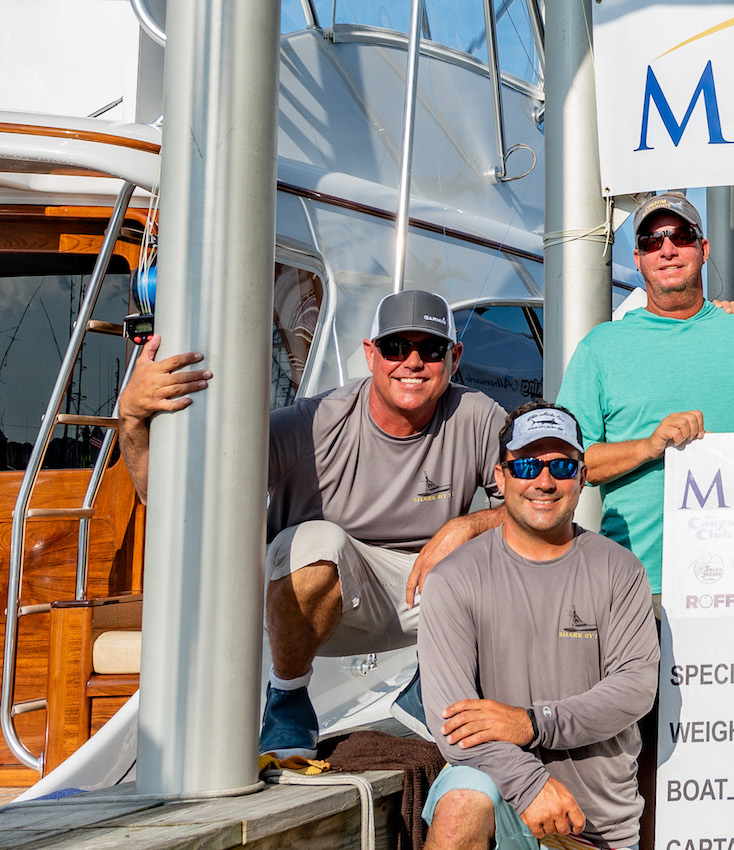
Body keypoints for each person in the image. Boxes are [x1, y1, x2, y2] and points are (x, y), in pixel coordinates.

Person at [116, 287, 510, 759]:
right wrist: (133, 419)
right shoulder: (313, 421)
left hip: (427, 596)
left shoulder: (479, 415)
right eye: (394, 348)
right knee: (316, 541)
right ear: (370, 354)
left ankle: (434, 693)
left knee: (516, 543)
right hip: (316, 602)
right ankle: (286, 701)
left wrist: (468, 524)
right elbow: (162, 497)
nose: (413, 362)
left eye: (430, 349)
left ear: (454, 356)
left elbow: (544, 502)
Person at [407, 401, 658, 850]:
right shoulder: (456, 579)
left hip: (591, 811)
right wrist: (526, 779)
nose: (542, 480)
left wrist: (531, 721)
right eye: (526, 464)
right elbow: (452, 723)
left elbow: (636, 688)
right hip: (509, 796)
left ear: (581, 477)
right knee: (459, 803)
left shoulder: (617, 570)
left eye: (560, 465)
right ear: (500, 475)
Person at [558, 192, 734, 591]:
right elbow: (570, 462)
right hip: (638, 585)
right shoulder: (599, 347)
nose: (667, 250)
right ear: (639, 259)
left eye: (680, 236)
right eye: (650, 242)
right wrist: (648, 445)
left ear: (703, 249)